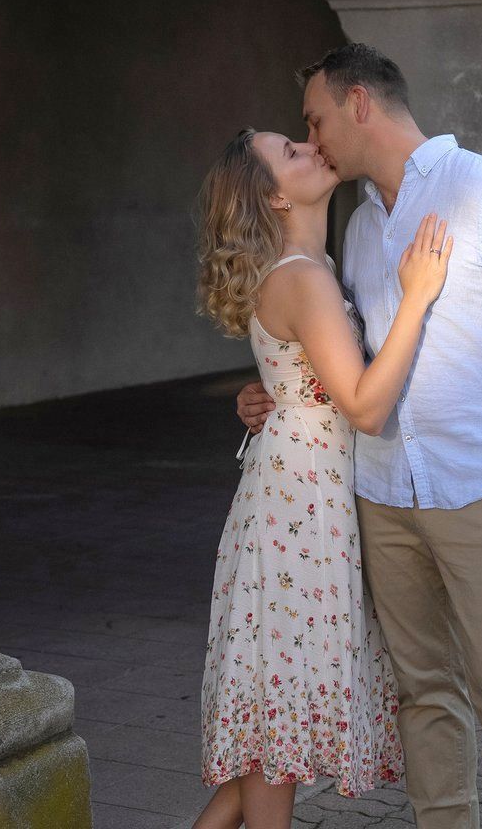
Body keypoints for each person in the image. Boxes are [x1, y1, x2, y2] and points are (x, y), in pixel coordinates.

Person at [236, 43, 482, 828]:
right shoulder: (364, 227)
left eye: (315, 118)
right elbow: (359, 364)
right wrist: (283, 396)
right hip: (382, 499)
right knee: (425, 702)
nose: (313, 137)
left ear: (359, 103)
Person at [192, 125, 453, 829]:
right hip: (298, 513)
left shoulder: (309, 262)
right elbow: (366, 407)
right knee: (275, 739)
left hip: (294, 502)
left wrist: (264, 396)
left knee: (268, 743)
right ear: (276, 195)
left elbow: (299, 377)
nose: (311, 149)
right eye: (291, 152)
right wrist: (418, 297)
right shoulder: (304, 277)